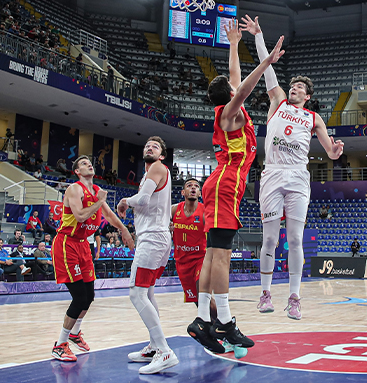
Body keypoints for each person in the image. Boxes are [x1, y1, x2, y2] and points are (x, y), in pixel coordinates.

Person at [187, 22, 284, 355]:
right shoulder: (229, 112)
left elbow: (233, 75)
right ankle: (225, 321)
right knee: (221, 258)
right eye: (232, 88)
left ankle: (203, 318)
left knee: (213, 255)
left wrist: (234, 44)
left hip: (222, 184)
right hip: (226, 183)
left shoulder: (227, 110)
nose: (235, 86)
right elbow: (242, 88)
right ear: (229, 94)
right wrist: (266, 62)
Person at [240, 15, 345, 321]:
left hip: (299, 176)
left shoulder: (314, 119)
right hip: (272, 173)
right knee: (270, 238)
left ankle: (295, 298)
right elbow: (267, 68)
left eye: (300, 87)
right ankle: (265, 293)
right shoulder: (278, 102)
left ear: (308, 96)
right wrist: (258, 36)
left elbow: (330, 151)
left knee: (295, 239)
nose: (294, 88)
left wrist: (336, 151)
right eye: (294, 85)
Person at [51, 155, 134, 362]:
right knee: (79, 298)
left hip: (83, 245)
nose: (89, 164)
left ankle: (74, 333)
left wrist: (124, 230)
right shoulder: (75, 189)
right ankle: (60, 345)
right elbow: (80, 216)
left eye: (90, 162)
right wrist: (100, 201)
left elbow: (108, 215)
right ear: (77, 171)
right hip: (67, 243)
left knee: (89, 297)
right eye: (83, 163)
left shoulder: (97, 191)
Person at [116, 136, 178, 374]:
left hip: (153, 238)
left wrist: (123, 201)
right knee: (148, 291)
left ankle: (164, 350)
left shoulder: (157, 168)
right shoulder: (150, 173)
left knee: (136, 293)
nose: (149, 147)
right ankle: (154, 346)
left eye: (155, 146)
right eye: (146, 145)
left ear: (162, 155)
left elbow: (141, 199)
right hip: (157, 238)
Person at [167, 178, 217, 336]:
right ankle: (211, 329)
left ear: (200, 193)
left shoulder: (204, 211)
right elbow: (159, 224)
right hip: (182, 262)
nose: (193, 188)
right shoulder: (174, 210)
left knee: (204, 294)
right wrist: (167, 229)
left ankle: (224, 326)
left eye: (196, 186)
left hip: (201, 259)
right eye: (189, 186)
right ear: (183, 192)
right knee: (197, 299)